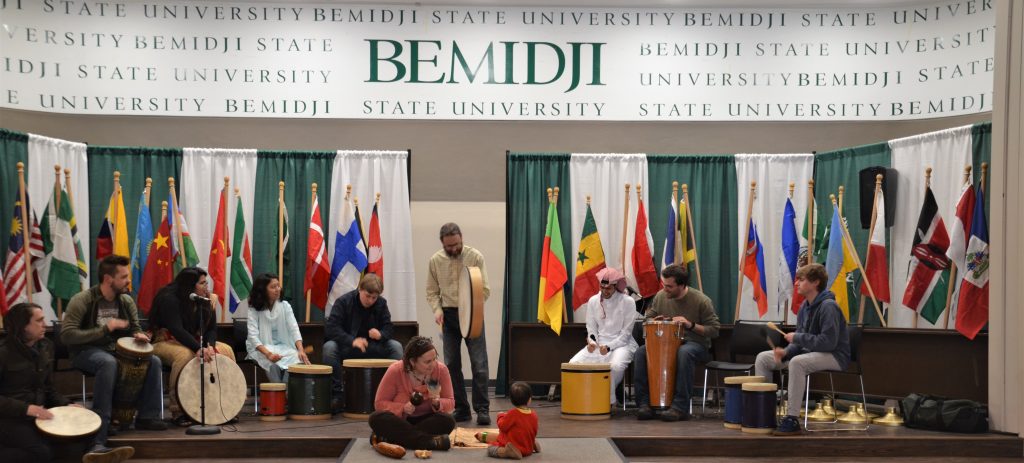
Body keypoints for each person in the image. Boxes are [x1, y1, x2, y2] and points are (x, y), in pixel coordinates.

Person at [1, 302, 134, 463]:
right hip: (10, 419)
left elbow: (48, 389)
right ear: (23, 326)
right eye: (39, 320)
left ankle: (98, 455)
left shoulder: (45, 347)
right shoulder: (4, 353)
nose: (45, 324)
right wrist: (26, 409)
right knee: (41, 453)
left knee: (81, 432)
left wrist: (67, 404)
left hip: (39, 414)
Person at [61, 254, 167, 454]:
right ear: (109, 279)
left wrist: (140, 335)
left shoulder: (126, 301)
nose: (129, 280)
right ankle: (99, 434)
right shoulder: (83, 300)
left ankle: (147, 416)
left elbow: (135, 328)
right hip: (85, 351)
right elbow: (66, 335)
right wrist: (105, 329)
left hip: (114, 351)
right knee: (108, 363)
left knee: (153, 360)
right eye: (124, 277)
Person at [754, 263, 850, 435]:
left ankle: (791, 418)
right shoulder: (804, 308)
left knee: (798, 363)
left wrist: (797, 338)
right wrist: (786, 352)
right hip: (811, 353)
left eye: (801, 280)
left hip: (835, 355)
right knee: (763, 358)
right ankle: (764, 412)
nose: (796, 283)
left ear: (815, 283)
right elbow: (800, 343)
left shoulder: (829, 306)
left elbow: (828, 342)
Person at [148, 267, 236, 426]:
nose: (206, 286)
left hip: (195, 341)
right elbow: (176, 329)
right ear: (190, 285)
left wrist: (209, 346)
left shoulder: (207, 299)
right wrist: (198, 348)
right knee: (185, 356)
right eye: (202, 283)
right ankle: (179, 411)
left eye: (206, 282)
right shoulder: (169, 298)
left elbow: (211, 329)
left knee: (225, 350)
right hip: (164, 341)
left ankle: (227, 406)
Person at [633, 263, 720, 422]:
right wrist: (654, 319)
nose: (665, 289)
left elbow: (714, 330)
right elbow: (648, 318)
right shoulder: (660, 297)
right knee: (640, 352)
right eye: (664, 285)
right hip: (664, 344)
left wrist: (690, 325)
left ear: (682, 285)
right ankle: (644, 404)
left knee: (684, 353)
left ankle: (680, 408)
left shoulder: (701, 300)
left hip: (695, 345)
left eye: (669, 287)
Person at [426, 222, 491, 424]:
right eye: (449, 246)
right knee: (452, 364)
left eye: (456, 244)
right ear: (442, 243)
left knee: (479, 364)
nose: (453, 249)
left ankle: (482, 409)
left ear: (461, 237)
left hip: (473, 314)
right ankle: (462, 409)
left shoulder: (475, 257)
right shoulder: (435, 261)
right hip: (448, 316)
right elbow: (431, 292)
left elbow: (485, 290)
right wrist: (437, 311)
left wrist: (470, 308)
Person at [323, 273, 402, 410]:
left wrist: (381, 335)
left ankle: (392, 394)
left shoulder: (381, 304)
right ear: (360, 289)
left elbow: (389, 328)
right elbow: (331, 328)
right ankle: (337, 395)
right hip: (348, 348)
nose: (370, 300)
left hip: (373, 347)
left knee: (396, 347)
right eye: (367, 296)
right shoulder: (343, 302)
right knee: (329, 348)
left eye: (374, 298)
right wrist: (352, 340)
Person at [369, 336, 455, 451]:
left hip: (426, 421)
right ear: (412, 361)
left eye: (435, 359)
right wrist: (402, 408)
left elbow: (450, 401)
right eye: (427, 362)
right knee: (376, 418)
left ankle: (392, 438)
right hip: (401, 421)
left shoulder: (441, 370)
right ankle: (429, 442)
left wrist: (437, 403)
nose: (433, 364)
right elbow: (379, 403)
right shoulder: (395, 370)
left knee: (448, 421)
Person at [568, 267, 638, 405]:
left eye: (609, 288)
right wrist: (592, 342)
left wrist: (610, 346)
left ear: (616, 286)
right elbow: (591, 327)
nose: (605, 291)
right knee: (573, 365)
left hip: (623, 345)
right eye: (602, 287)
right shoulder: (593, 300)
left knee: (615, 366)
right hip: (599, 344)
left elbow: (626, 334)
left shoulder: (628, 302)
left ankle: (607, 402)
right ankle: (582, 401)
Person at [246, 273, 309, 384]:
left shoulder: (285, 306)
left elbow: (294, 328)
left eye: (278, 286)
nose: (277, 289)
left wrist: (301, 350)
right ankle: (278, 393)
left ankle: (284, 392)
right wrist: (269, 354)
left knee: (297, 358)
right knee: (272, 364)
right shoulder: (254, 310)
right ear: (263, 291)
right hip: (261, 349)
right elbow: (253, 337)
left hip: (283, 346)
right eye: (273, 287)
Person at [475, 381, 539, 460]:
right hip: (528, 448)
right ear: (529, 400)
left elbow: (502, 427)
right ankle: (532, 443)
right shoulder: (533, 414)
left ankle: (507, 451)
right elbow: (534, 430)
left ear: (511, 400)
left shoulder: (513, 414)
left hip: (516, 448)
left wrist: (500, 416)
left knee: (490, 449)